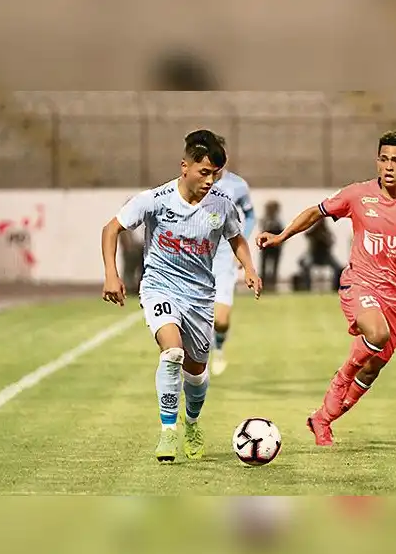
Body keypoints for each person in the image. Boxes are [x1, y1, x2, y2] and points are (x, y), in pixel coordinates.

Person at [256, 131, 396, 446]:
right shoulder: (357, 195)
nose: (388, 167)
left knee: (373, 368)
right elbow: (315, 212)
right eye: (383, 159)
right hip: (358, 283)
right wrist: (281, 236)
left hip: (395, 299)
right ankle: (340, 379)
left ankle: (323, 419)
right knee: (376, 335)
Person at [101, 130, 262, 462]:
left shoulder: (221, 205)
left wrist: (249, 269)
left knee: (196, 374)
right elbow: (111, 228)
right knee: (172, 352)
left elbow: (236, 238)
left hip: (201, 297)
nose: (209, 181)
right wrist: (111, 274)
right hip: (160, 287)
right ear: (184, 166)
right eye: (204, 172)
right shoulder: (155, 200)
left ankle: (191, 422)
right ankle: (168, 433)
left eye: (214, 174)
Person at [209, 149, 256, 377]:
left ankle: (218, 347)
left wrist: (241, 248)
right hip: (198, 255)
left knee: (220, 319)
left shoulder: (237, 185)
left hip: (224, 257)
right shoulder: (193, 183)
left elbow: (250, 215)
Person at [299, 219, 344, 291]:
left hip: (325, 256)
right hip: (313, 255)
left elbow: (332, 241)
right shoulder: (314, 231)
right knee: (305, 265)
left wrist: (324, 237)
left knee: (338, 268)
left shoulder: (326, 232)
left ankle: (335, 287)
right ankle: (307, 287)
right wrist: (314, 229)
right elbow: (306, 234)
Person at [259, 201, 285, 291]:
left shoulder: (277, 220)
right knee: (264, 265)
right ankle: (263, 284)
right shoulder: (266, 220)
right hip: (266, 246)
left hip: (275, 247)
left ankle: (272, 284)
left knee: (274, 266)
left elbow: (282, 232)